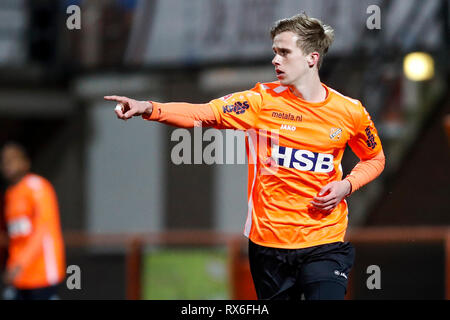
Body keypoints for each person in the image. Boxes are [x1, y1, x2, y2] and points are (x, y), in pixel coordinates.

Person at [105, 13, 385, 300]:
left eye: (284, 53)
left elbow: (375, 159)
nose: (276, 60)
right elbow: (205, 114)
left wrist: (346, 185)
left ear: (312, 58)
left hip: (325, 241)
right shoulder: (260, 102)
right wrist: (149, 108)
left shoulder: (350, 111)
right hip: (269, 245)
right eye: (275, 52)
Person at [1, 142, 66, 300]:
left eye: (12, 159)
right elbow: (16, 234)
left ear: (25, 162)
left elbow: (43, 230)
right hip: (19, 274)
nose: (7, 165)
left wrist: (20, 264)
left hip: (41, 270)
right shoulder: (10, 194)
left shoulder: (37, 187)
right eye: (4, 161)